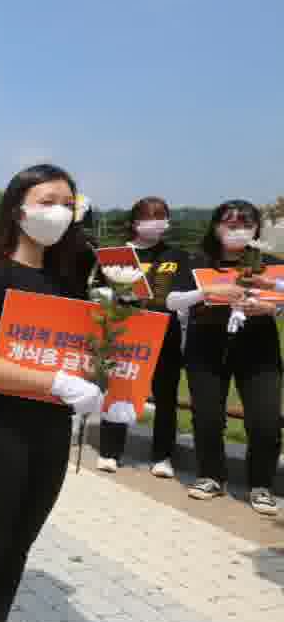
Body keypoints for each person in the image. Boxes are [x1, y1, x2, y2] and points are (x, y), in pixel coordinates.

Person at [0, 164, 135, 622]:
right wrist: (56, 381)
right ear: (18, 209)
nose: (58, 211)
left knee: (21, 537)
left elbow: (82, 354)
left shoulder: (67, 281)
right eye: (47, 200)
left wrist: (115, 391)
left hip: (52, 426)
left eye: (67, 203)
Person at [166, 200, 281, 515]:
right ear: (216, 226)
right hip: (206, 347)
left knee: (266, 421)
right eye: (230, 224)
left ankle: (261, 484)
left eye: (246, 224)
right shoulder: (197, 261)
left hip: (259, 349)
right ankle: (211, 475)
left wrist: (272, 308)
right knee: (207, 416)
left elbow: (281, 296)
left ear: (257, 229)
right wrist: (207, 292)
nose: (238, 230)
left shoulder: (269, 263)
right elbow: (173, 301)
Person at [93, 197, 189, 477]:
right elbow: (97, 290)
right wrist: (113, 296)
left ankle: (162, 456)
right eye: (149, 217)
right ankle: (110, 451)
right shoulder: (117, 255)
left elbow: (184, 293)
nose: (155, 222)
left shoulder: (177, 256)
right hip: (126, 333)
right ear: (134, 222)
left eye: (161, 216)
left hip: (165, 335)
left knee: (166, 397)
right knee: (119, 389)